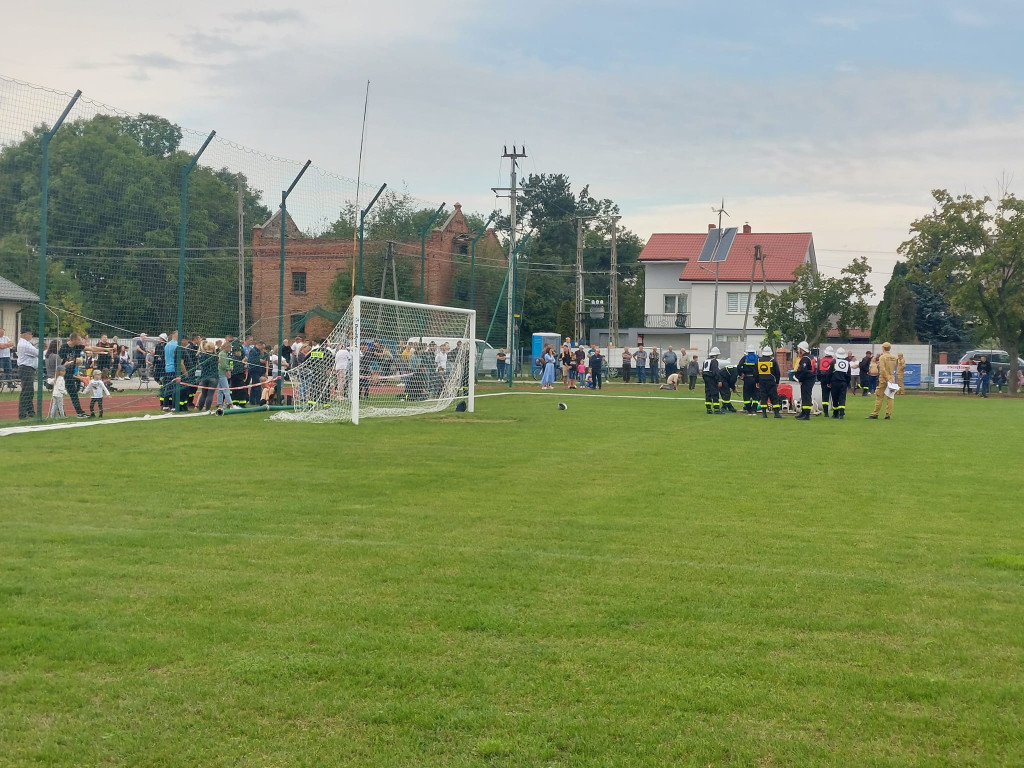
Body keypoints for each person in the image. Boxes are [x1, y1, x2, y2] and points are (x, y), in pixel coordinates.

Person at [868, 341, 902, 420]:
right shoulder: (894, 358)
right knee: (890, 397)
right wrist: (890, 379)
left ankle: (875, 413)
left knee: (879, 396)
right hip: (892, 378)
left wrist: (886, 379)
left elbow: (882, 369)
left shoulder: (882, 357)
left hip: (883, 379)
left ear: (883, 348)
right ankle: (888, 415)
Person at [756, 345, 783, 419]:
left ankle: (764, 414)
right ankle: (776, 414)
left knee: (763, 397)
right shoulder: (773, 361)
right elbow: (777, 372)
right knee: (774, 397)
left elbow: (756, 372)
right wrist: (777, 382)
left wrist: (757, 382)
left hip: (761, 381)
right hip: (771, 381)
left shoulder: (758, 361)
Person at [16, 327, 38, 419]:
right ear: (26, 334)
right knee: (26, 391)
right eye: (30, 334)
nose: (31, 336)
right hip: (26, 369)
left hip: (28, 369)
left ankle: (30, 411)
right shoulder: (25, 344)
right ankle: (22, 413)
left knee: (29, 391)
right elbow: (37, 353)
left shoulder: (25, 343)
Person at [195, 341, 219, 411]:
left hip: (204, 377)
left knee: (203, 394)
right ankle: (207, 409)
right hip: (213, 376)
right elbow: (218, 361)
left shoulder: (203, 355)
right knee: (210, 394)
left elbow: (201, 364)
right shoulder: (215, 356)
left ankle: (200, 408)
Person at [793, 341, 814, 421]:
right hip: (809, 379)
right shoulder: (810, 357)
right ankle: (803, 412)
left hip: (807, 380)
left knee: (806, 397)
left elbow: (803, 370)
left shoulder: (805, 359)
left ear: (802, 349)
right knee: (804, 396)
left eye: (799, 349)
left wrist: (799, 379)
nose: (798, 350)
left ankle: (807, 415)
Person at [830, 347, 851, 419]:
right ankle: (842, 414)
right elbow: (848, 375)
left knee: (835, 398)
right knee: (842, 398)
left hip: (834, 382)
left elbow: (829, 373)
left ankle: (835, 414)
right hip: (843, 383)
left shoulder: (833, 362)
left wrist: (828, 382)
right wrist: (847, 383)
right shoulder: (847, 363)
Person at [738, 344, 760, 414]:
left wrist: (741, 374)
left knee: (747, 394)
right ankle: (754, 409)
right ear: (754, 351)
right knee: (756, 394)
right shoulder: (758, 358)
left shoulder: (745, 358)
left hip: (747, 378)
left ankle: (748, 408)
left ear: (748, 351)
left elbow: (739, 366)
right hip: (756, 378)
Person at [701, 346, 721, 415]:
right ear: (715, 355)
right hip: (711, 378)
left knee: (708, 393)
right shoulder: (714, 361)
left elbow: (703, 370)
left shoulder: (706, 360)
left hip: (706, 377)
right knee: (715, 393)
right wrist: (718, 380)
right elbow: (716, 371)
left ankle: (708, 409)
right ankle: (716, 409)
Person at [817, 345, 835, 417]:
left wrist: (819, 379)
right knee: (834, 396)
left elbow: (818, 371)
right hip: (832, 380)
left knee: (825, 396)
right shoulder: (834, 361)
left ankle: (826, 413)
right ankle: (835, 412)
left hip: (823, 379)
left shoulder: (821, 360)